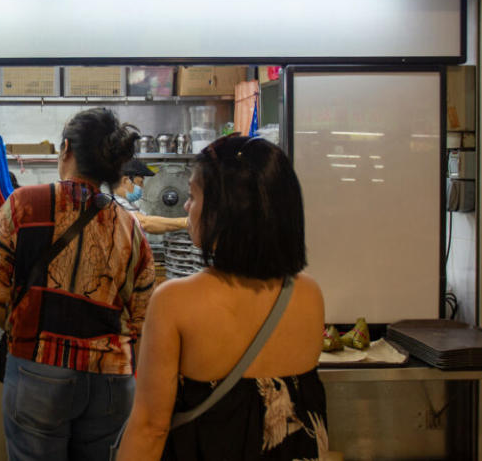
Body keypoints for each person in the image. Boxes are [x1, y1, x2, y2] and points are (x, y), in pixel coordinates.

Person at [116, 135, 327, 461]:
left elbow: (150, 427)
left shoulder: (175, 302)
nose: (186, 207)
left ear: (224, 211)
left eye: (194, 196)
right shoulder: (309, 294)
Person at [0, 107, 156, 461]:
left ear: (66, 149)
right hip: (113, 381)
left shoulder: (27, 204)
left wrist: (16, 325)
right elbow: (144, 319)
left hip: (39, 368)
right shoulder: (131, 228)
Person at [109, 158, 188, 234]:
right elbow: (145, 223)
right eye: (140, 182)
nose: (142, 187)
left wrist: (185, 223)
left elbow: (153, 223)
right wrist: (187, 222)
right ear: (125, 181)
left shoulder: (128, 204)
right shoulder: (111, 203)